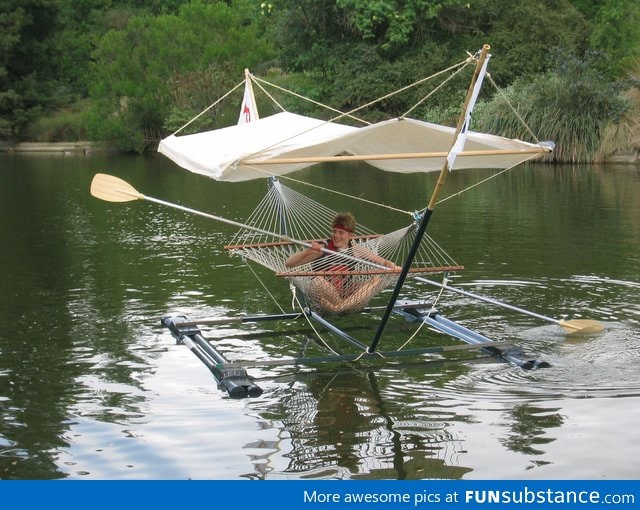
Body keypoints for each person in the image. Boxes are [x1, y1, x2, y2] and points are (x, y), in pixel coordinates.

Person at [285, 212, 400, 314]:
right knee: (318, 280)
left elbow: (381, 261)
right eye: (334, 231)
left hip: (345, 292)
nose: (336, 236)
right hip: (323, 295)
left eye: (341, 232)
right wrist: (307, 252)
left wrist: (393, 266)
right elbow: (289, 264)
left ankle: (338, 308)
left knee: (376, 280)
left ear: (350, 236)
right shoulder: (323, 248)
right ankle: (343, 307)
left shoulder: (354, 249)